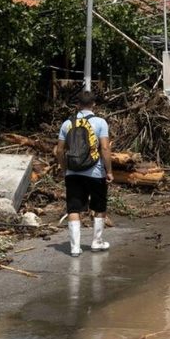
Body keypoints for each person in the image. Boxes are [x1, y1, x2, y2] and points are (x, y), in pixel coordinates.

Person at [55, 90, 113, 257]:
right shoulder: (100, 122)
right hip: (95, 172)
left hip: (73, 172)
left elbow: (59, 150)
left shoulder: (67, 123)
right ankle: (97, 242)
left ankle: (74, 248)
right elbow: (105, 148)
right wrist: (108, 171)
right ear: (94, 104)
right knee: (99, 206)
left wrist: (65, 168)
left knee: (74, 207)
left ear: (77, 105)